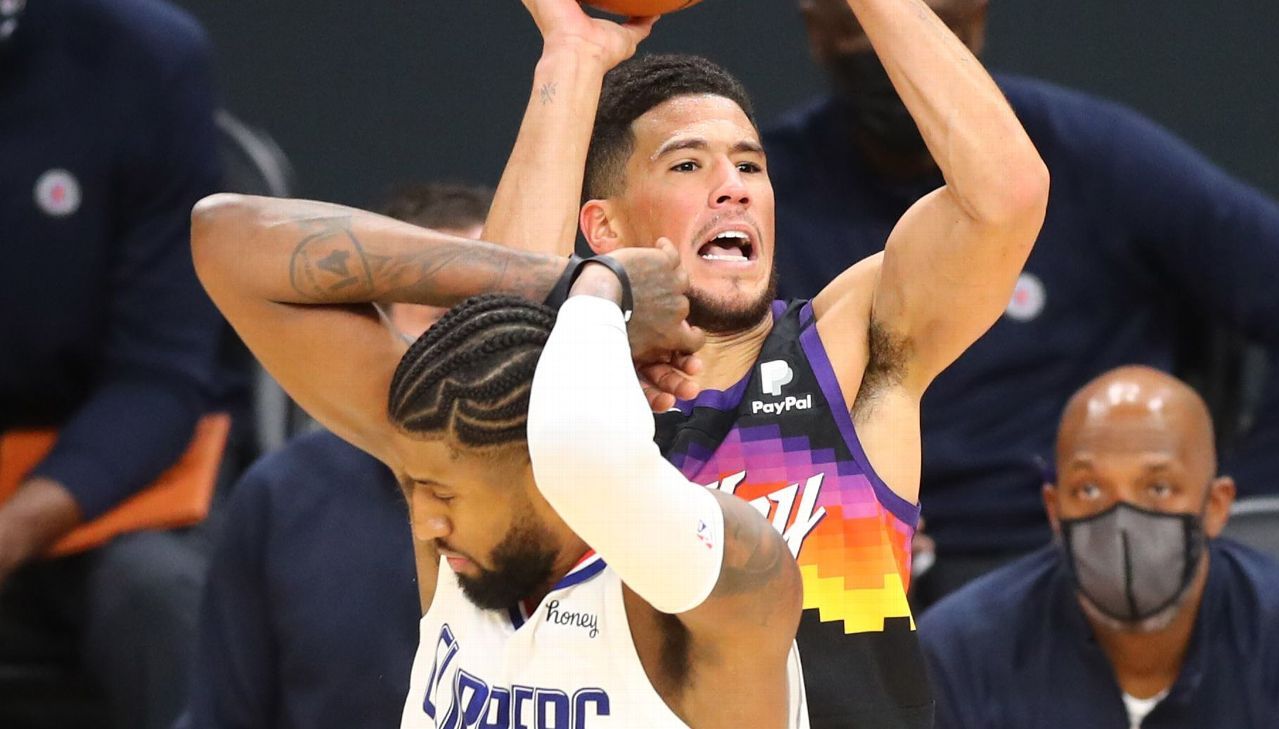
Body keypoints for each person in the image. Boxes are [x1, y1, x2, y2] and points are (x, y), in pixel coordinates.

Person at [474, 0, 1048, 725]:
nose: (734, 185)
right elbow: (491, 331)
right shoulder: (571, 407)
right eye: (688, 164)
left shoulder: (845, 352)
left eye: (750, 164)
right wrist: (573, 56)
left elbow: (1007, 199)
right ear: (605, 226)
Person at [192, 171, 809, 726]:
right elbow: (221, 236)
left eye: (443, 494)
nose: (424, 518)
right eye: (420, 485)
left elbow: (583, 454)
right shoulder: (459, 482)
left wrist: (601, 291)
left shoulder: (717, 582)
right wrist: (564, 280)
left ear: (539, 470)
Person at [765, 0, 1279, 606]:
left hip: (1083, 550)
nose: (901, 81)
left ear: (978, 23)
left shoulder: (1094, 157)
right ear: (818, 33)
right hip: (870, 551)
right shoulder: (766, 194)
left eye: (940, 31)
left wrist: (1244, 508)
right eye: (871, 51)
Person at [179, 183, 493, 729]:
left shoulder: (580, 485)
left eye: (488, 311)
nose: (470, 341)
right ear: (373, 328)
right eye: (437, 312)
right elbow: (223, 714)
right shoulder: (281, 493)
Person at [0, 1, 222, 727]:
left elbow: (157, 373)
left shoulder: (145, 57)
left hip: (97, 478)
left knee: (157, 593)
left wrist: (13, 528)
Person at [918, 366, 1279, 729]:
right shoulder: (960, 651)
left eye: (1158, 488)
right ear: (1054, 509)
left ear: (1215, 506)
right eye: (1090, 490)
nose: (1122, 521)